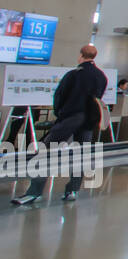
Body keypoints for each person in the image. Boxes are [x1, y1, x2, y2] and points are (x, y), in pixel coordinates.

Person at [13, 44, 107, 206]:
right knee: (80, 154)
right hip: (88, 121)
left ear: (81, 55)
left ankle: (34, 192)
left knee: (45, 151)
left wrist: (60, 114)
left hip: (71, 117)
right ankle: (72, 190)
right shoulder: (101, 76)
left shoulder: (74, 74)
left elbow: (60, 96)